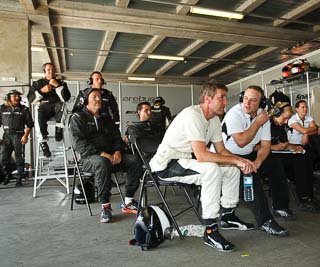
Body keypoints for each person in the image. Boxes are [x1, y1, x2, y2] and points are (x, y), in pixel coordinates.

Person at [150, 83, 256, 252]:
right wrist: (236, 160)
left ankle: (228, 215)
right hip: (167, 165)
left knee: (231, 169)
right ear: (208, 99)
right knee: (212, 170)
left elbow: (221, 150)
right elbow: (202, 155)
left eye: (225, 98)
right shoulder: (192, 115)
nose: (225, 102)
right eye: (221, 97)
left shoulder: (214, 119)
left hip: (185, 160)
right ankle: (210, 231)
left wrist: (240, 160)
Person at [222, 85, 295, 235]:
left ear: (261, 103)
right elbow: (241, 141)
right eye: (245, 99)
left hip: (248, 154)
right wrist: (257, 123)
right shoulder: (234, 114)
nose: (247, 103)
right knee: (250, 176)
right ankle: (265, 221)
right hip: (228, 156)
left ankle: (280, 206)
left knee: (274, 163)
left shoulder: (263, 115)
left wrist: (258, 162)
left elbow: (266, 145)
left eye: (253, 100)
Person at [69, 88, 143, 223]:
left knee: (134, 160)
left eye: (99, 97)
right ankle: (105, 207)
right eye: (94, 97)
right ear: (86, 100)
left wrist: (118, 151)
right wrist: (104, 154)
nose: (98, 99)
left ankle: (128, 202)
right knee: (102, 163)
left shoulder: (106, 117)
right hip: (90, 159)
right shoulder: (77, 118)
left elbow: (116, 137)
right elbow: (79, 144)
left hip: (112, 156)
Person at [269, 101, 320, 213]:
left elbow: (285, 144)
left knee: (305, 158)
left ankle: (309, 196)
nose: (286, 122)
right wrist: (274, 147)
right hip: (269, 156)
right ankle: (304, 199)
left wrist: (294, 147)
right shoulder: (267, 125)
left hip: (281, 154)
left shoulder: (281, 127)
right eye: (285, 119)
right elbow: (257, 146)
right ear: (277, 114)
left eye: (288, 120)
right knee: (299, 163)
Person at [28, 62, 71, 157]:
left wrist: (58, 86)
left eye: (53, 69)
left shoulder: (61, 83)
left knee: (63, 105)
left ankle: (59, 129)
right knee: (38, 111)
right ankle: (43, 142)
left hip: (57, 108)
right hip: (44, 108)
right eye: (48, 70)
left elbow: (66, 98)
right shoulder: (37, 84)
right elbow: (31, 100)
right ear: (44, 72)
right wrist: (41, 91)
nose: (51, 71)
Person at [0, 90, 34, 186]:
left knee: (19, 158)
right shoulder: (2, 109)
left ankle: (19, 179)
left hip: (19, 135)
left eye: (18, 96)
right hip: (6, 136)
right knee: (3, 158)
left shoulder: (24, 109)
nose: (17, 97)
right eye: (14, 96)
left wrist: (26, 136)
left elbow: (30, 124)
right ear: (9, 97)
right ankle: (7, 175)